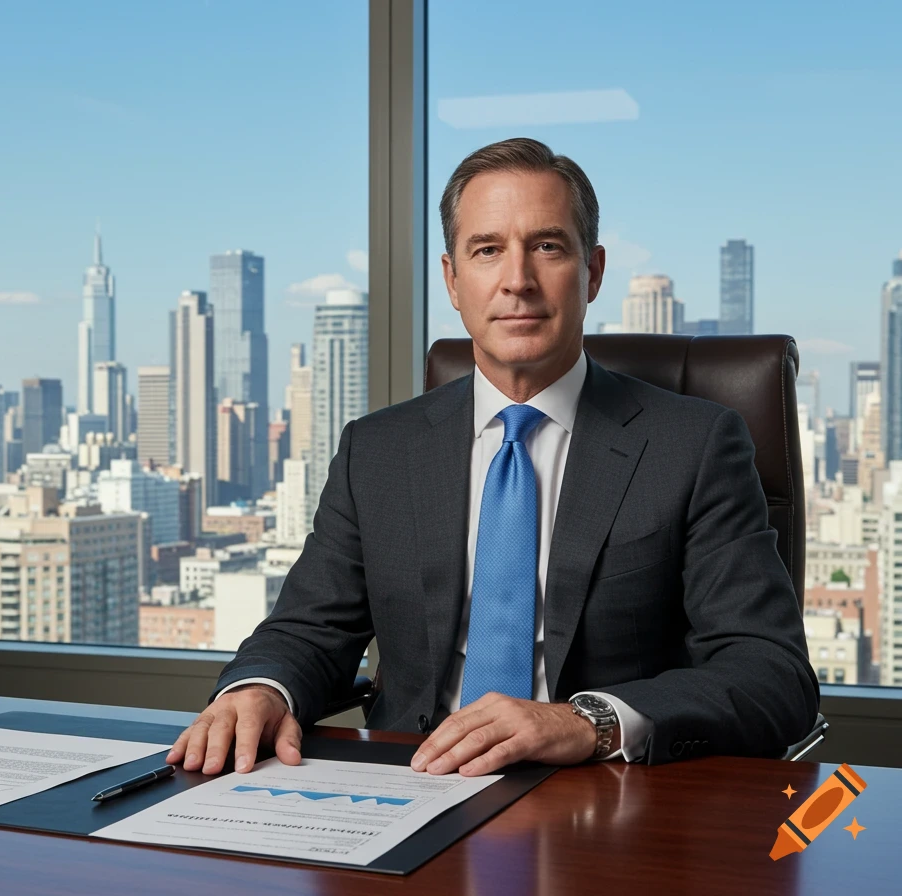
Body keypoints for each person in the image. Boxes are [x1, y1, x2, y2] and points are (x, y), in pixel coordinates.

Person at [166, 137, 819, 778]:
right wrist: (260, 689)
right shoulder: (378, 451)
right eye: (487, 250)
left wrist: (586, 721)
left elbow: (770, 672)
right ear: (452, 280)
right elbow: (307, 631)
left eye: (548, 247)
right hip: (408, 784)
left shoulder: (694, 446)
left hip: (598, 799)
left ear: (592, 272)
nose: (517, 281)